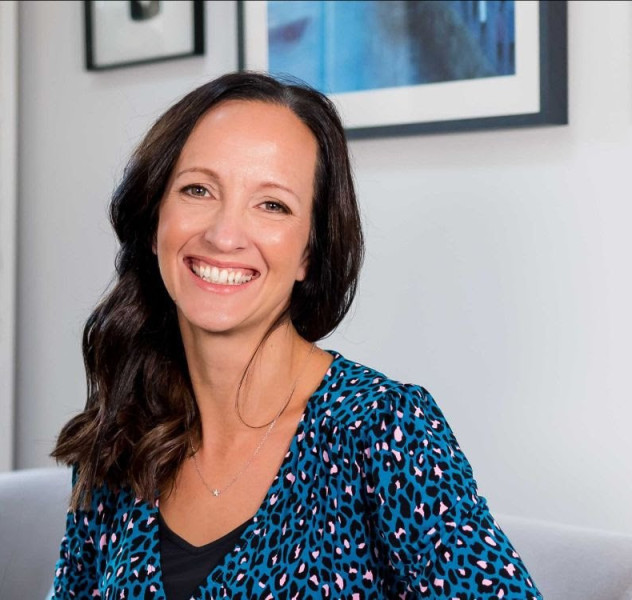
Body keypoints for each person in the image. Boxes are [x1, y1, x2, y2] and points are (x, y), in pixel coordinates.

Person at [50, 72, 541, 599]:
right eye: (198, 189)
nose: (223, 235)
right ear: (154, 220)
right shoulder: (122, 432)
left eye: (272, 205)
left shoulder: (384, 430)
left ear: (310, 250)